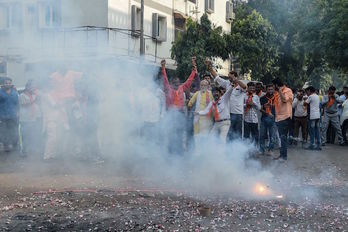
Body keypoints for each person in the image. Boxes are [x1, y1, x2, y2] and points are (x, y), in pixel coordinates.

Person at [161, 58, 197, 155]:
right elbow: (165, 79)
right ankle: (170, 152)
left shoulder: (182, 87)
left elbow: (189, 80)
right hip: (171, 113)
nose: (177, 84)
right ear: (172, 83)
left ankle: (180, 152)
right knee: (171, 133)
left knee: (180, 133)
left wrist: (194, 69)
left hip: (180, 113)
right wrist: (163, 68)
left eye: (178, 82)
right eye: (175, 83)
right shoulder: (168, 88)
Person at [205, 59, 246, 141]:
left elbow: (245, 87)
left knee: (237, 134)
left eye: (230, 77)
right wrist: (209, 67)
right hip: (229, 114)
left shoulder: (240, 85)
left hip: (238, 114)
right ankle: (229, 151)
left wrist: (236, 81)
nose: (229, 78)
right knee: (229, 134)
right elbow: (216, 77)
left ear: (235, 76)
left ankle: (238, 151)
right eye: (228, 77)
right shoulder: (227, 83)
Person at [19, 80, 42, 157]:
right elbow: (23, 105)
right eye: (32, 86)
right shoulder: (22, 95)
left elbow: (38, 105)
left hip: (34, 119)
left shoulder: (34, 95)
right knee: (25, 136)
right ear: (27, 87)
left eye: (34, 86)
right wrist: (34, 101)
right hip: (25, 119)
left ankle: (32, 151)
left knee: (33, 135)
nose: (33, 88)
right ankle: (24, 151)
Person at [272, 78, 293, 161]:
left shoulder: (288, 90)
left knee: (283, 137)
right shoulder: (276, 93)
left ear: (277, 85)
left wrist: (280, 91)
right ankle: (282, 155)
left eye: (273, 85)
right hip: (279, 117)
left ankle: (284, 157)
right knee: (281, 137)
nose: (273, 87)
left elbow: (284, 100)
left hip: (285, 117)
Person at [188, 80, 213, 144]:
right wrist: (189, 105)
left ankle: (204, 151)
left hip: (206, 119)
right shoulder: (197, 93)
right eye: (201, 85)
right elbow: (190, 103)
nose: (203, 86)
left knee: (205, 136)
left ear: (207, 86)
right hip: (197, 118)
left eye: (204, 85)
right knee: (196, 135)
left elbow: (213, 105)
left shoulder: (210, 93)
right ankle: (197, 151)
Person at [0, 77, 19, 152]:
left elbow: (17, 103)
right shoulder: (0, 92)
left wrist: (18, 112)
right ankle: (6, 146)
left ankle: (14, 145)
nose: (8, 84)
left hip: (13, 115)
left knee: (13, 131)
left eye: (9, 83)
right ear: (3, 84)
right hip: (3, 116)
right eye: (6, 83)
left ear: (11, 83)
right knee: (4, 132)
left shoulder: (14, 92)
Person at [259, 84, 276, 155]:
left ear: (274, 90)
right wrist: (266, 112)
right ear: (266, 90)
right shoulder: (262, 98)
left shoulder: (277, 98)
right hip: (264, 118)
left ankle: (270, 150)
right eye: (268, 89)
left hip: (273, 119)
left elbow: (279, 108)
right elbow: (260, 108)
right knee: (262, 135)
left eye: (271, 89)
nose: (270, 91)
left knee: (272, 136)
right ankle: (261, 150)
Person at [304, 86, 321, 150]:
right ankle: (318, 145)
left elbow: (305, 103)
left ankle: (312, 145)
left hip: (312, 116)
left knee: (312, 131)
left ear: (309, 91)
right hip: (317, 115)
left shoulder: (310, 96)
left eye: (307, 91)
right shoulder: (317, 96)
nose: (307, 93)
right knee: (317, 130)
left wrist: (305, 99)